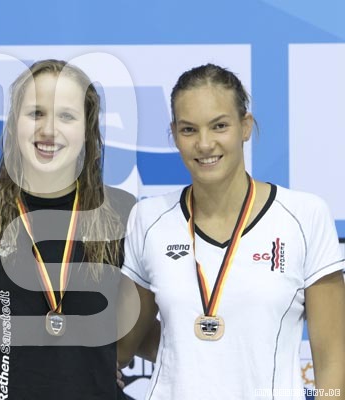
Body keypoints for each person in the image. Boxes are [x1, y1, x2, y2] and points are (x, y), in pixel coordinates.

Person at [117, 63, 345, 399]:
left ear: (245, 126)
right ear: (174, 134)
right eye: (189, 129)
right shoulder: (148, 218)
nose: (204, 144)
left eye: (219, 126)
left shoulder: (304, 216)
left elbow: (332, 363)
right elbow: (125, 344)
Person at [0, 59, 135, 399]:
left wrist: (107, 362)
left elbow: (147, 325)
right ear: (15, 122)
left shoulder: (122, 213)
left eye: (66, 116)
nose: (48, 130)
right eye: (36, 113)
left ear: (87, 128)